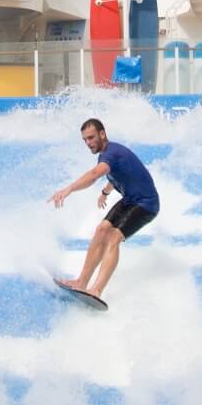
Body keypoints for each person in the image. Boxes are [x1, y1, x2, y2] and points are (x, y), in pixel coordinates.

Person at [49, 118, 159, 300]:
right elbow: (117, 173)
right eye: (85, 140)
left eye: (91, 137)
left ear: (102, 134)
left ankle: (97, 290)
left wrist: (69, 189)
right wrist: (105, 192)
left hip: (146, 204)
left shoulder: (111, 153)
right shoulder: (107, 155)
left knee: (113, 237)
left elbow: (94, 174)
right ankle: (81, 282)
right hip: (129, 200)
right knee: (101, 230)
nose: (88, 143)